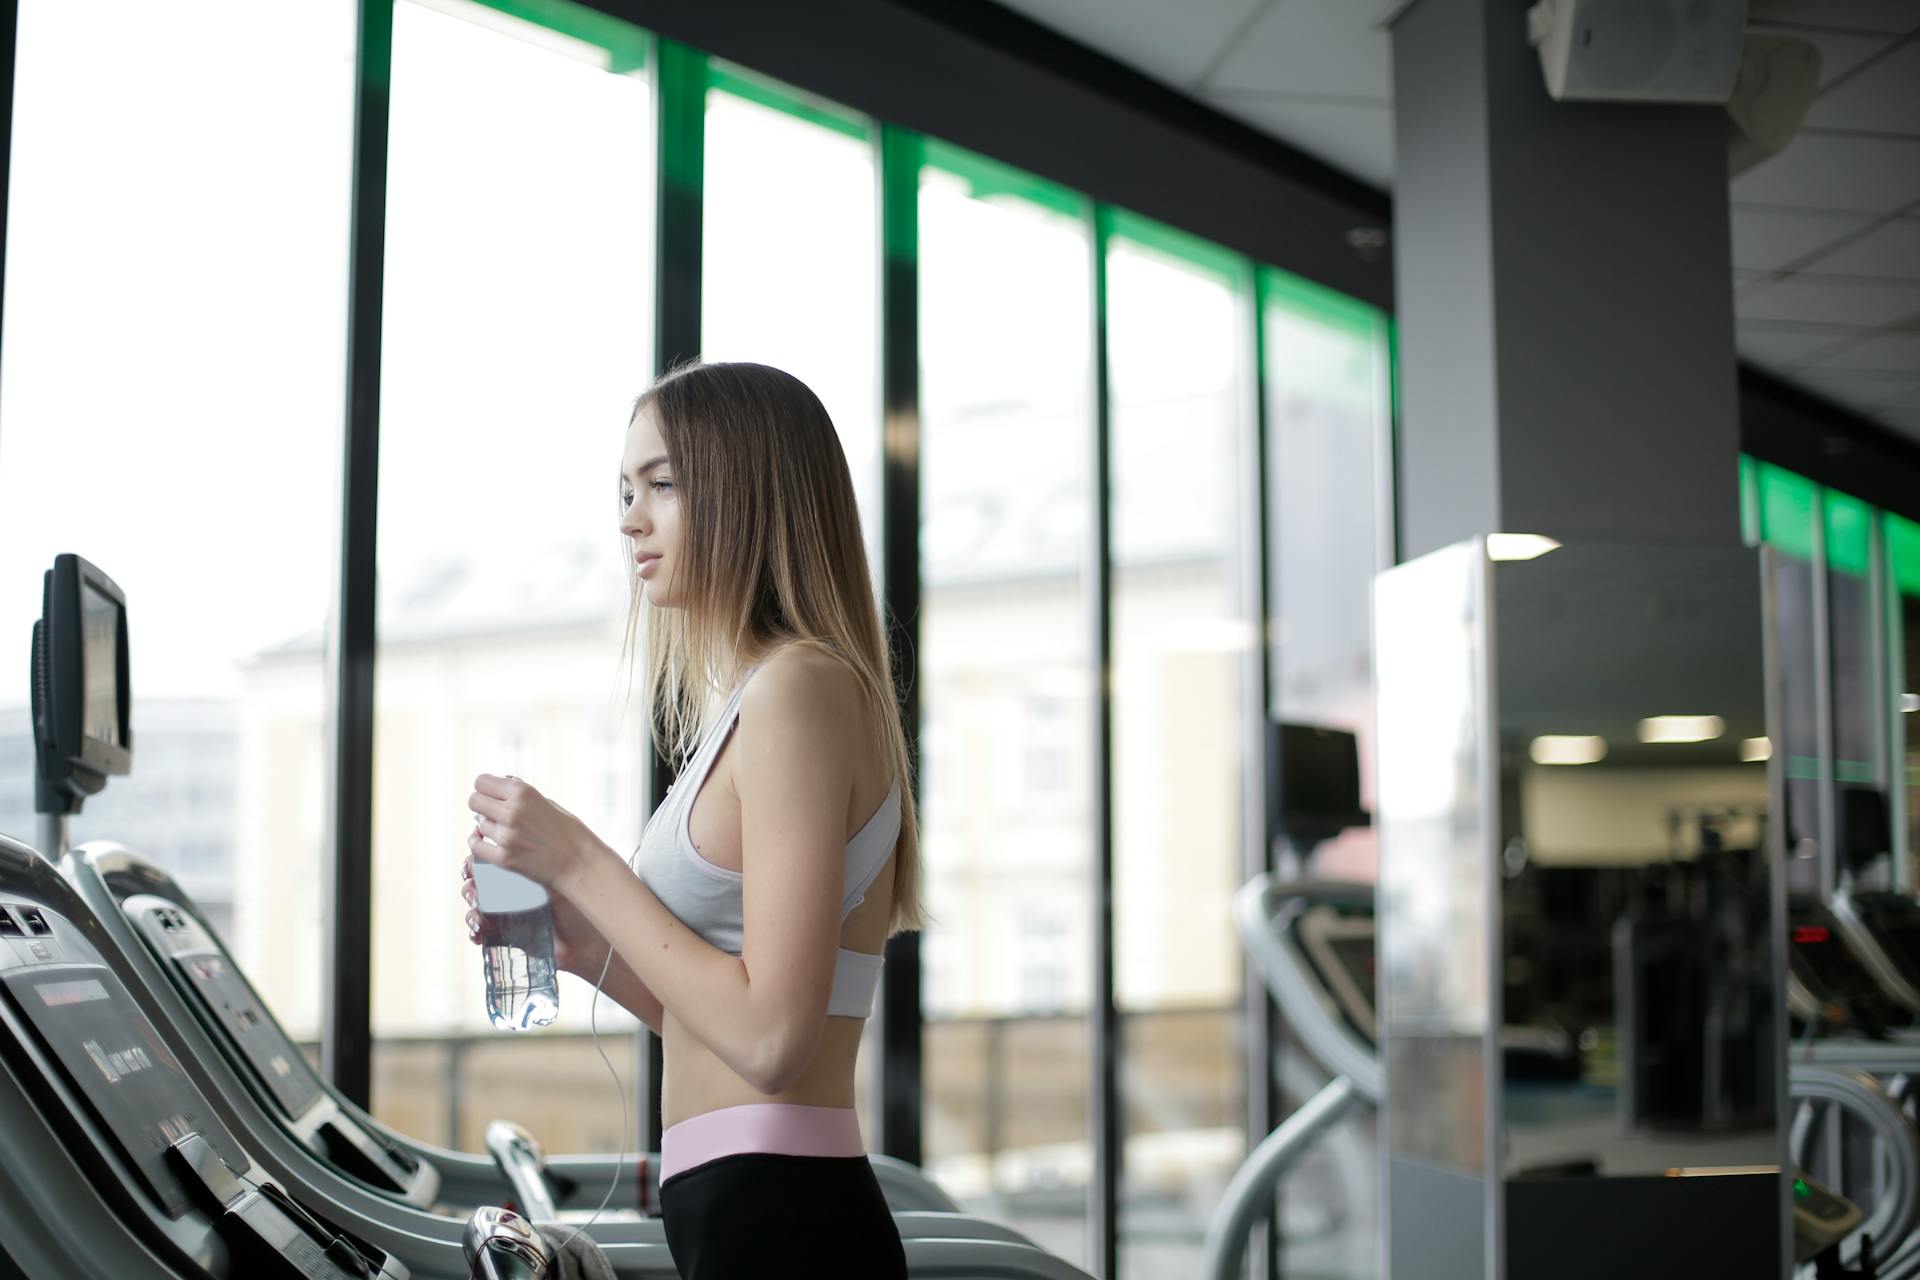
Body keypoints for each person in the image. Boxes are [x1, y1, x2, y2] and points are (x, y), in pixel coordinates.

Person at [459, 361, 921, 1278]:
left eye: (662, 485)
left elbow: (773, 1043)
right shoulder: (760, 698)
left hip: (784, 1215)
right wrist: (585, 948)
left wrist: (582, 861)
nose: (630, 518)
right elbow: (716, 1023)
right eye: (625, 491)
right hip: (746, 1206)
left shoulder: (799, 688)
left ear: (752, 490)